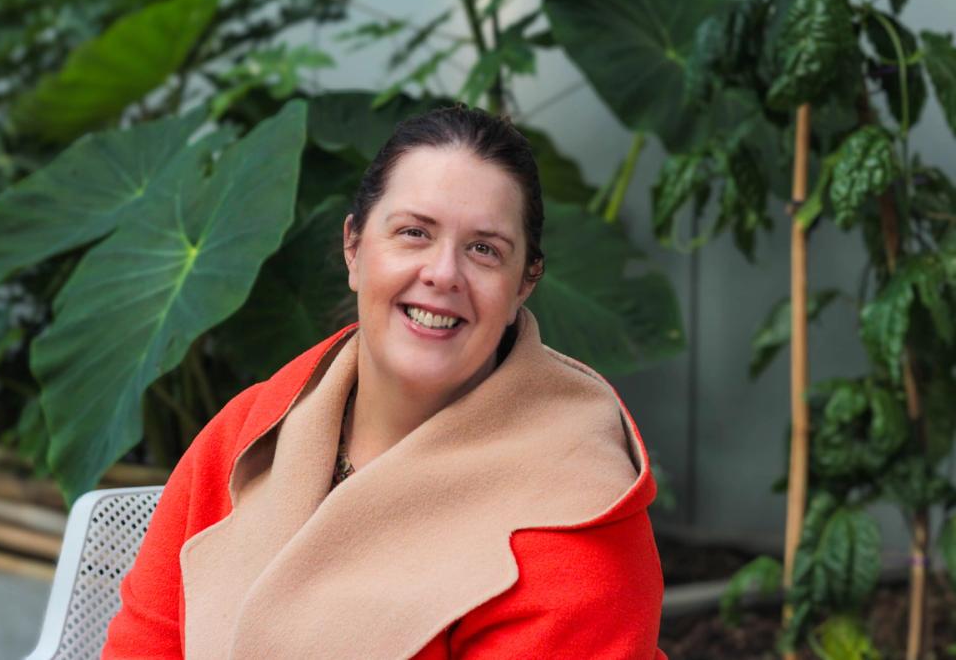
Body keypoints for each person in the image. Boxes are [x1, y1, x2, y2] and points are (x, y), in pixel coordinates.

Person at [103, 104, 666, 659]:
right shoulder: (247, 433)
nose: (443, 273)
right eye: (415, 232)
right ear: (354, 248)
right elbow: (144, 641)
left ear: (525, 283)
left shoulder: (576, 510)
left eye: (484, 250)